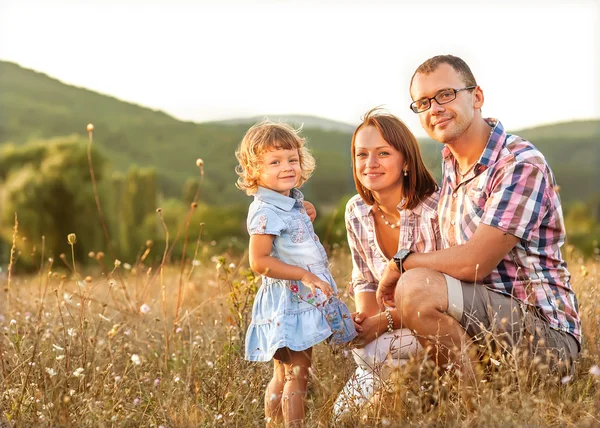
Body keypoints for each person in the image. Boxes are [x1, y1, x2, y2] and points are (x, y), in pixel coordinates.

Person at [376, 55, 581, 384]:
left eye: (446, 94)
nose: (435, 108)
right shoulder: (452, 164)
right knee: (393, 357)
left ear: (477, 97)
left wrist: (400, 264)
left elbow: (475, 262)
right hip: (484, 323)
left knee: (415, 286)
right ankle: (469, 388)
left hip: (545, 340)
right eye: (424, 102)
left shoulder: (519, 163)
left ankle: (474, 410)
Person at [235, 120, 357, 427]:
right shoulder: (265, 210)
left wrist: (306, 211)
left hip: (297, 301)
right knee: (297, 374)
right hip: (289, 301)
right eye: (274, 162)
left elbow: (292, 240)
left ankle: (274, 424)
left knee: (286, 372)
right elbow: (260, 261)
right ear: (254, 171)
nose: (287, 167)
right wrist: (304, 275)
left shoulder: (290, 203)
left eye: (292, 159)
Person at [333, 108, 441, 418]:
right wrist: (365, 322)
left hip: (439, 326)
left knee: (374, 353)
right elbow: (365, 278)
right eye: (361, 154)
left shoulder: (434, 208)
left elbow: (450, 292)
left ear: (406, 160)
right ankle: (402, 397)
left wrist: (386, 321)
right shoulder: (356, 210)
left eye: (383, 153)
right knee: (341, 418)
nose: (370, 163)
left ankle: (422, 394)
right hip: (395, 335)